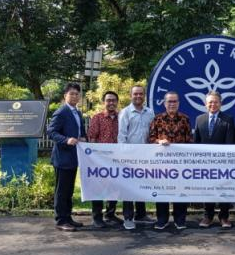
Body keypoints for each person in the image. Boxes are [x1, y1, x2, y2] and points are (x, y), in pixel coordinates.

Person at [148, 91, 193, 230]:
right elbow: (151, 139)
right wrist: (159, 141)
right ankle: (162, 220)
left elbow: (190, 140)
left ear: (178, 103)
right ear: (164, 103)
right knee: (162, 191)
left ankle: (180, 220)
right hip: (162, 164)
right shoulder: (157, 119)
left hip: (180, 164)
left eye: (174, 101)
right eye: (169, 101)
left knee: (180, 191)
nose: (172, 104)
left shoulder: (185, 119)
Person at [47, 82, 86, 232]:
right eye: (72, 94)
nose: (75, 96)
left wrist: (83, 137)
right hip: (62, 157)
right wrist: (66, 139)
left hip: (73, 157)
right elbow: (51, 132)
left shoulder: (77, 112)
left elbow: (80, 131)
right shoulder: (61, 112)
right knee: (62, 191)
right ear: (65, 96)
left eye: (77, 94)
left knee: (69, 191)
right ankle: (61, 220)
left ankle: (68, 218)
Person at [194, 90, 235, 228]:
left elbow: (229, 143)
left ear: (220, 103)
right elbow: (196, 143)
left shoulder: (228, 119)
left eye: (216, 102)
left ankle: (224, 217)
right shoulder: (199, 119)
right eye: (210, 102)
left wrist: (224, 160)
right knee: (208, 190)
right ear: (206, 104)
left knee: (224, 190)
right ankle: (208, 216)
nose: (213, 104)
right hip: (205, 164)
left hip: (223, 163)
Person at [118, 85, 156, 230]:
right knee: (129, 187)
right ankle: (128, 217)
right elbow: (121, 135)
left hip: (145, 156)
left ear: (144, 95)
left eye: (141, 94)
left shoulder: (150, 112)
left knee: (141, 185)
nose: (138, 96)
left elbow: (152, 133)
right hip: (129, 156)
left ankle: (141, 214)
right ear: (131, 95)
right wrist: (124, 155)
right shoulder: (125, 112)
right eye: (135, 94)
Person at [86, 90, 120, 229]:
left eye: (113, 100)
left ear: (117, 102)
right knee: (98, 188)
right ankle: (97, 217)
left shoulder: (121, 117)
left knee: (114, 187)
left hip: (117, 159)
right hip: (100, 160)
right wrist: (94, 158)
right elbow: (92, 138)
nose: (111, 102)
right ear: (103, 102)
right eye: (108, 100)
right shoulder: (97, 118)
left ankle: (110, 214)